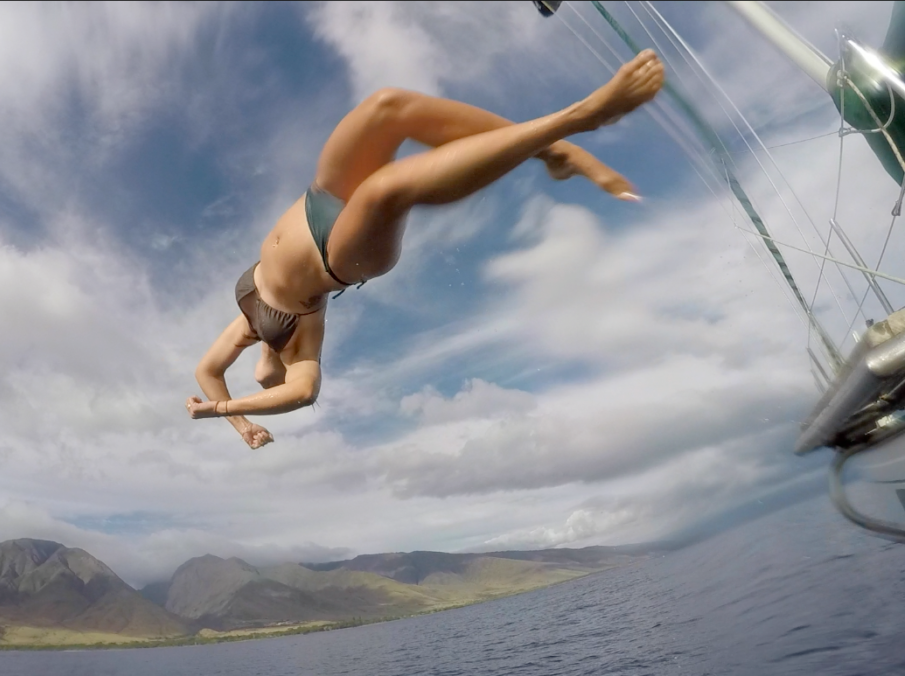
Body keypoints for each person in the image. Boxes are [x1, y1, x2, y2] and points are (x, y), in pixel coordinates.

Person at [186, 50, 665, 449]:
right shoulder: (302, 342)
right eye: (268, 381)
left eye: (261, 379)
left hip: (322, 197)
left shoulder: (248, 319)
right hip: (342, 251)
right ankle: (576, 119)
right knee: (387, 188)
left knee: (387, 106)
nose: (264, 376)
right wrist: (226, 413)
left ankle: (555, 156)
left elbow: (207, 371)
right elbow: (303, 394)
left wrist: (237, 424)